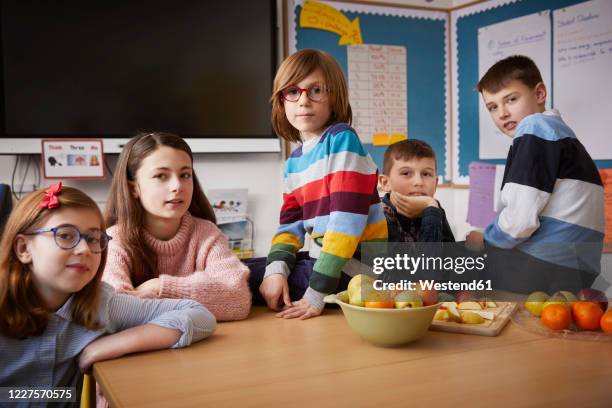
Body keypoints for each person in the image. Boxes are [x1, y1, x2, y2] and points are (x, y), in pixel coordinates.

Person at [0, 183, 215, 403]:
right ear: (24, 249)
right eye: (65, 235)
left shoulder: (100, 304)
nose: (85, 249)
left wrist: (115, 344)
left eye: (93, 238)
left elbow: (199, 315)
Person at [248, 49, 387, 319]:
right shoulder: (294, 162)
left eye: (316, 90)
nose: (303, 101)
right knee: (251, 267)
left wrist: (316, 294)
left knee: (239, 276)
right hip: (327, 263)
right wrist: (276, 270)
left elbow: (345, 223)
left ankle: (167, 293)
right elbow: (290, 225)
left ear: (334, 97)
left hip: (356, 272)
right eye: (292, 91)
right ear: (281, 100)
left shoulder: (342, 139)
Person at [467, 55, 604, 293]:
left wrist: (486, 238)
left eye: (511, 99)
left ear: (539, 94)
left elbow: (519, 222)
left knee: (451, 262)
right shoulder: (563, 135)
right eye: (492, 107)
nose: (502, 113)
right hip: (579, 269)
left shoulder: (535, 127)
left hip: (545, 264)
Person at [103, 132, 251, 321]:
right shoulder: (114, 240)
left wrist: (159, 287)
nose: (177, 186)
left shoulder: (207, 234)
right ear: (134, 188)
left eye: (185, 175)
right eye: (161, 176)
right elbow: (116, 309)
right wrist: (203, 295)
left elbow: (237, 300)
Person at [379, 139, 454, 243]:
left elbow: (450, 257)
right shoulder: (379, 214)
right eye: (406, 173)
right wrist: (431, 208)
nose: (418, 182)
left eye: (426, 174)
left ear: (435, 183)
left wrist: (432, 209)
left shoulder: (434, 207)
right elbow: (425, 259)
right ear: (385, 183)